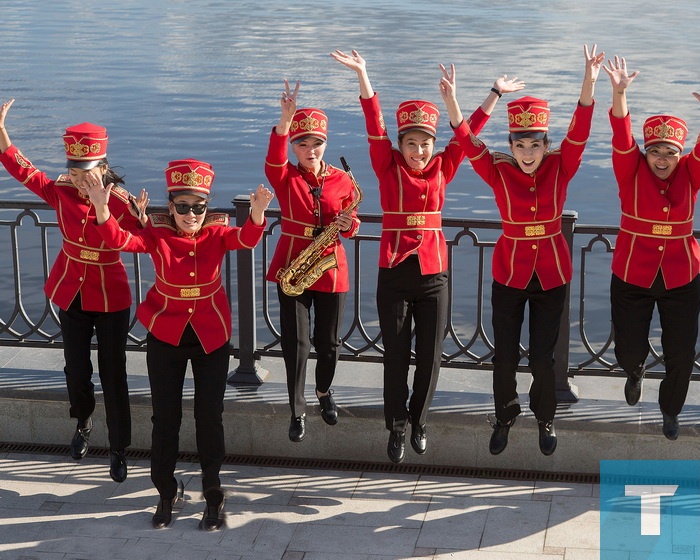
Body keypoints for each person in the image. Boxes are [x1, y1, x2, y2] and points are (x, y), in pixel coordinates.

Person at [331, 48, 524, 463]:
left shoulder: (444, 165)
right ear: (400, 143)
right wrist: (363, 74)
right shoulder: (386, 164)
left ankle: (419, 421)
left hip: (434, 273)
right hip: (395, 271)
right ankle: (396, 428)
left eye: (424, 143)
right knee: (396, 358)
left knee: (430, 359)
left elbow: (466, 134)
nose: (418, 150)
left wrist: (495, 93)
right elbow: (373, 124)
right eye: (411, 143)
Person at [85, 159, 273, 531]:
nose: (191, 214)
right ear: (170, 207)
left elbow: (246, 239)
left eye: (198, 206)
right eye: (183, 206)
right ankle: (165, 493)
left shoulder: (217, 232)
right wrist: (102, 208)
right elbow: (121, 240)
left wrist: (256, 215)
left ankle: (213, 495)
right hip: (166, 333)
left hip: (210, 336)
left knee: (209, 418)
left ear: (207, 206)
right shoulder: (156, 233)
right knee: (165, 419)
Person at [439, 44, 604, 456]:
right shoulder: (497, 170)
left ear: (546, 145)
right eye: (520, 145)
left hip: (552, 273)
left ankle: (545, 417)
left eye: (535, 146)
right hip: (509, 273)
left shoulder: (561, 165)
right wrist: (456, 102)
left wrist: (590, 81)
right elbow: (466, 139)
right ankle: (505, 415)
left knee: (544, 360)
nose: (527, 154)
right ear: (511, 144)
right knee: (505, 357)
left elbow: (580, 130)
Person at [0, 99, 148, 483]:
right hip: (71, 291)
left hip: (110, 295)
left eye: (88, 172)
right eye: (75, 171)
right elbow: (24, 171)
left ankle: (118, 448)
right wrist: (1, 132)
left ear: (101, 166)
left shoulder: (119, 202)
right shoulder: (61, 191)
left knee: (113, 373)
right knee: (76, 369)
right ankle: (83, 421)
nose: (82, 179)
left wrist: (136, 217)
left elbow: (147, 239)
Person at [602, 58, 700, 441]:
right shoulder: (630, 170)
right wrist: (619, 93)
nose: (661, 159)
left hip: (680, 276)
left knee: (680, 354)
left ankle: (670, 410)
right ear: (645, 152)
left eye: (670, 152)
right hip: (631, 274)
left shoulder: (692, 173)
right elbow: (621, 135)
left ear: (680, 154)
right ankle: (634, 369)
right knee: (627, 348)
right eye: (655, 151)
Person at [265, 80, 361, 443]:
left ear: (326, 144)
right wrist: (284, 120)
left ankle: (323, 391)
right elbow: (273, 159)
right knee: (297, 343)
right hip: (293, 264)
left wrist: (348, 223)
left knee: (330, 342)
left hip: (330, 265)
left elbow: (354, 222)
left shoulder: (342, 179)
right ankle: (297, 408)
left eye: (316, 142)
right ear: (294, 145)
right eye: (301, 143)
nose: (309, 149)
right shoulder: (285, 175)